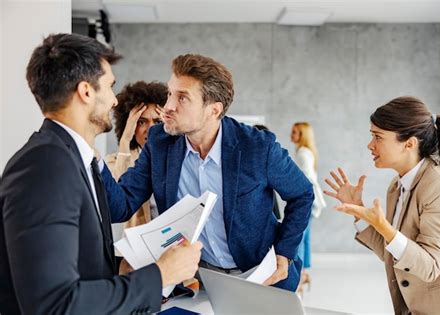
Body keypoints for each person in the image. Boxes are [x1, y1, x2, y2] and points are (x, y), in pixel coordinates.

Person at [0, 33, 201, 315]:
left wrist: (120, 267)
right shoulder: (45, 167)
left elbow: (75, 262)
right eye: (109, 87)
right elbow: (54, 305)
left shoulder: (74, 159)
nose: (115, 101)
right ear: (86, 91)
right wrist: (160, 275)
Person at [101, 54, 314, 291]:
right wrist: (91, 152)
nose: (168, 106)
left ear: (213, 110)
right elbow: (121, 205)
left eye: (182, 98)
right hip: (203, 280)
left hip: (263, 275)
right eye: (171, 93)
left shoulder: (257, 147)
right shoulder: (160, 142)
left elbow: (303, 193)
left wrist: (285, 251)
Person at [324, 96, 440, 314]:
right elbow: (393, 251)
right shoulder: (397, 185)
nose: (370, 145)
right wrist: (359, 210)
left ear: (409, 144)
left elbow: (430, 266)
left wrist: (384, 226)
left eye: (378, 137)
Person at [106, 81, 168, 274]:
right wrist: (125, 140)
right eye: (142, 122)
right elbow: (115, 199)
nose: (150, 129)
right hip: (132, 261)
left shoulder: (175, 162)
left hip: (170, 253)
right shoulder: (112, 162)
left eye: (157, 122)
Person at [290, 122, 326, 294]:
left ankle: (300, 275)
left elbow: (308, 179)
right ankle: (305, 273)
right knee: (305, 238)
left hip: (307, 200)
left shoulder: (303, 153)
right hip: (312, 200)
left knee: (300, 237)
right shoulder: (306, 152)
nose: (292, 134)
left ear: (303, 134)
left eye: (295, 132)